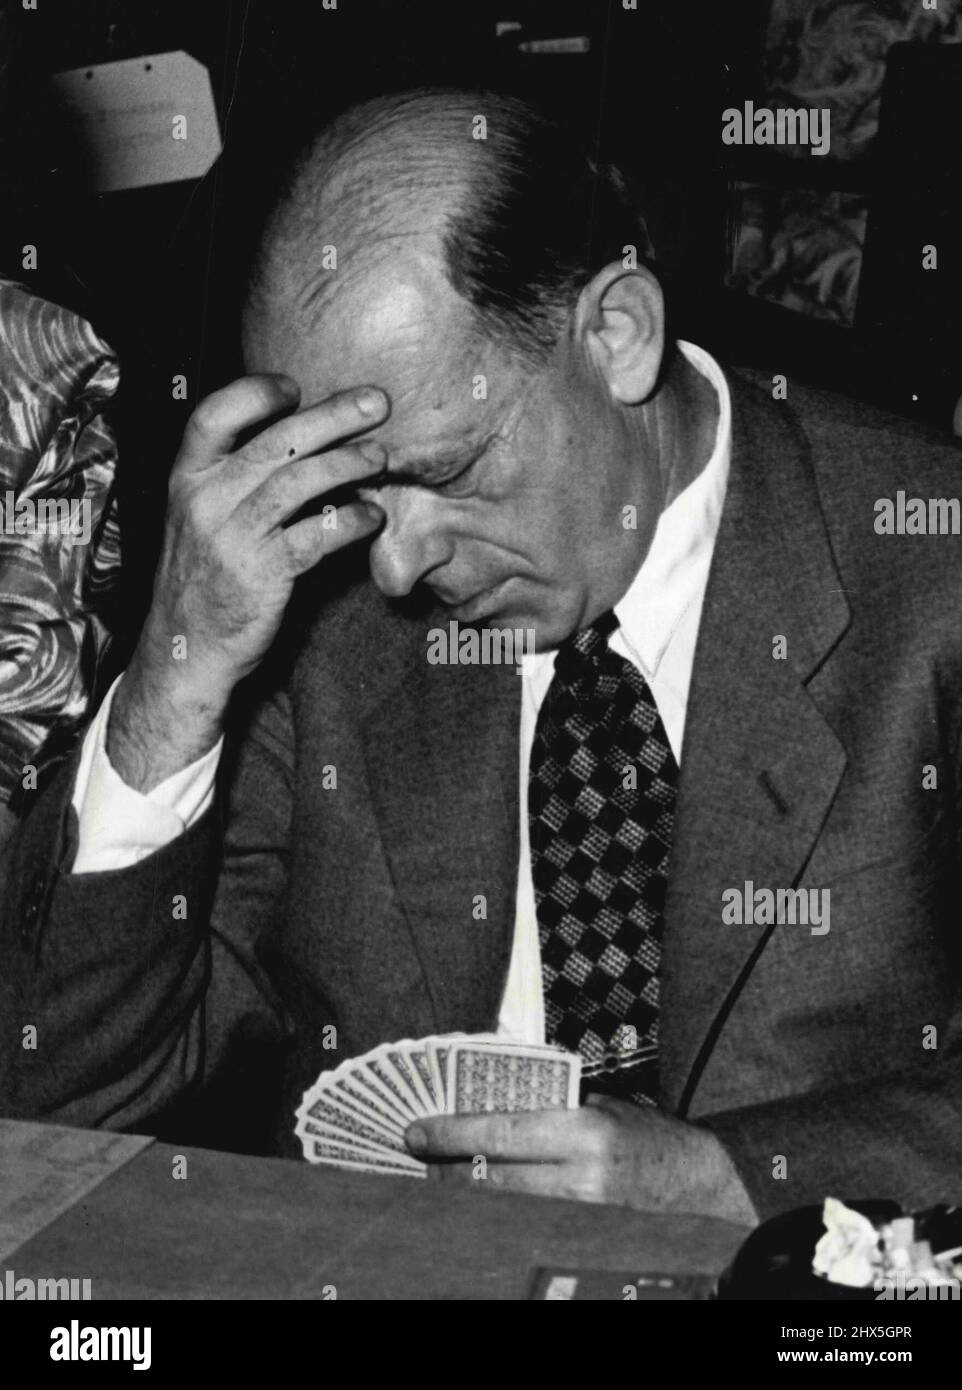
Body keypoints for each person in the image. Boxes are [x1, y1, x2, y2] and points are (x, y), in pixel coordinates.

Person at [2, 88, 961, 1226]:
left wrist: (736, 1176)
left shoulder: (925, 572)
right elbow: (62, 1100)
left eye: (448, 472)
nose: (397, 566)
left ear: (615, 335)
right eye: (358, 489)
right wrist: (174, 674)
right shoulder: (313, 624)